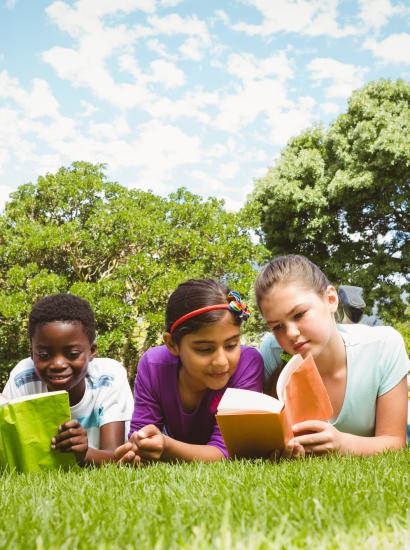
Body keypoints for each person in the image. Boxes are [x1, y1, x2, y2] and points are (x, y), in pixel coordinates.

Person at [255, 254, 409, 457]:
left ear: (331, 299)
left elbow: (394, 442)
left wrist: (342, 443)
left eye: (299, 314)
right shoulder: (272, 351)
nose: (290, 334)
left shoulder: (383, 346)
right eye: (277, 326)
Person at [115, 279, 264, 464]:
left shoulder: (247, 363)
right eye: (204, 349)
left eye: (231, 345)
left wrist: (167, 448)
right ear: (171, 344)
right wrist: (139, 448)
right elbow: (141, 435)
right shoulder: (153, 365)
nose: (221, 361)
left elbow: (228, 451)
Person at [2, 293, 134, 466]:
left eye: (72, 354)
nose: (58, 364)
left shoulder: (108, 377)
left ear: (92, 351)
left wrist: (84, 454)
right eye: (44, 355)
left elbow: (117, 456)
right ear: (31, 353)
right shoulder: (23, 378)